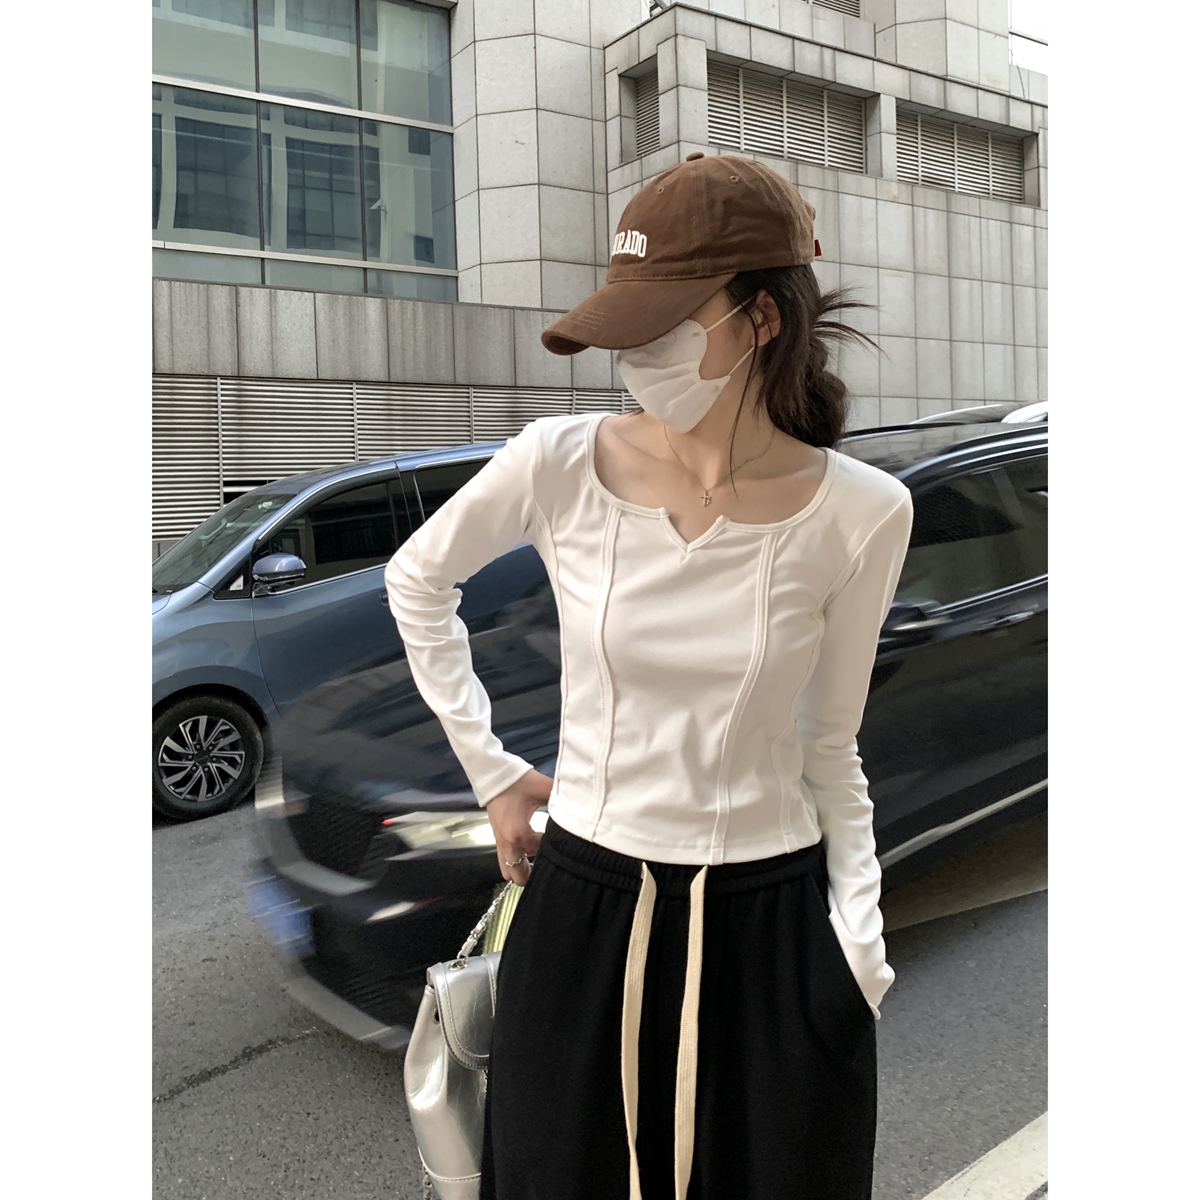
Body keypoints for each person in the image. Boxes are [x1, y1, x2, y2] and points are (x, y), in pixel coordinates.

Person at [385, 152, 914, 1200]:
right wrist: (493, 773)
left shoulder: (862, 513)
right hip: (584, 906)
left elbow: (831, 744)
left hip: (772, 924)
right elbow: (418, 581)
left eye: (664, 327)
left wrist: (858, 944)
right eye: (624, 331)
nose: (634, 358)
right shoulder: (558, 463)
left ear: (762, 320)